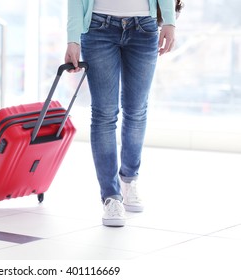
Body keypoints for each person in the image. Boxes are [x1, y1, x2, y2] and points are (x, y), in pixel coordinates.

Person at [65, 0, 176, 227]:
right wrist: (73, 38)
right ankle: (111, 196)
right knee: (104, 114)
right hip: (98, 28)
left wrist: (169, 21)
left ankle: (129, 179)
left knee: (136, 110)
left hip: (144, 27)